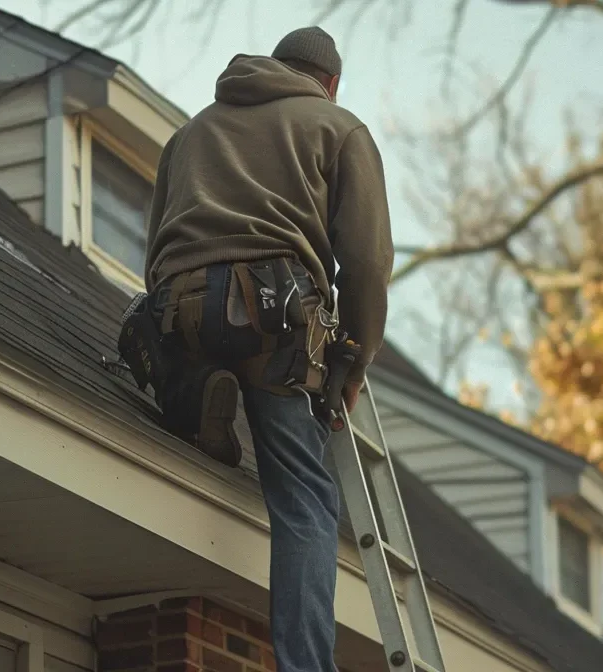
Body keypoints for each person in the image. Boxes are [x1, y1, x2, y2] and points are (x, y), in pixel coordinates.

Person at [142, 26, 393, 672]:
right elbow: (364, 261)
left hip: (182, 309)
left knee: (175, 348)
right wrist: (353, 357)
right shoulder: (337, 128)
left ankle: (195, 391)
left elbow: (154, 257)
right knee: (305, 497)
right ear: (330, 82)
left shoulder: (190, 133)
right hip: (274, 320)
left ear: (274, 65)